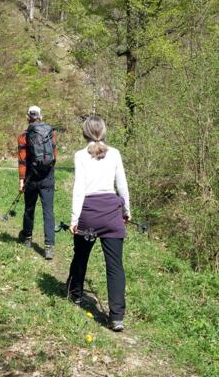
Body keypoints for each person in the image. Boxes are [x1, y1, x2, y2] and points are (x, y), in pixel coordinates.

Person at [66, 115, 130, 332]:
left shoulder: (79, 156)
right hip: (112, 213)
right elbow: (122, 185)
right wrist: (126, 211)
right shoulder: (115, 154)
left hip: (89, 214)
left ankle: (74, 293)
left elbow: (79, 189)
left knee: (81, 255)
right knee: (115, 265)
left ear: (85, 133)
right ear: (104, 132)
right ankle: (117, 317)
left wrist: (74, 219)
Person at [17, 106, 58, 260]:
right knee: (48, 211)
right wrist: (49, 174)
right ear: (40, 116)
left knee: (29, 208)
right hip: (47, 177)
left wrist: (22, 180)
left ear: (28, 117)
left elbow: (22, 160)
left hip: (31, 177)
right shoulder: (51, 133)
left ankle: (27, 238)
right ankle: (49, 248)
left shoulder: (23, 136)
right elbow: (54, 157)